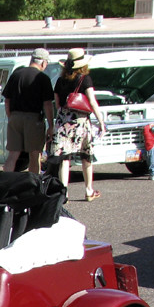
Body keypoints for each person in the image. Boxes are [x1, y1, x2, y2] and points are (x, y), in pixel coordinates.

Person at [51, 48, 106, 202]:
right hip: (80, 121)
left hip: (63, 121)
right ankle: (89, 190)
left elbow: (57, 102)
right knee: (86, 156)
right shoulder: (85, 79)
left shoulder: (60, 81)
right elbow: (92, 102)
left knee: (65, 157)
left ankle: (64, 193)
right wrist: (101, 121)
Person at [1, 48, 55, 174]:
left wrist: (11, 117)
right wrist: (51, 125)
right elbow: (47, 104)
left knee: (13, 154)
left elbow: (7, 100)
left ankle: (6, 183)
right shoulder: (42, 78)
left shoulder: (16, 74)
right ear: (43, 63)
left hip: (15, 117)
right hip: (33, 118)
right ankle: (33, 185)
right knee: (35, 154)